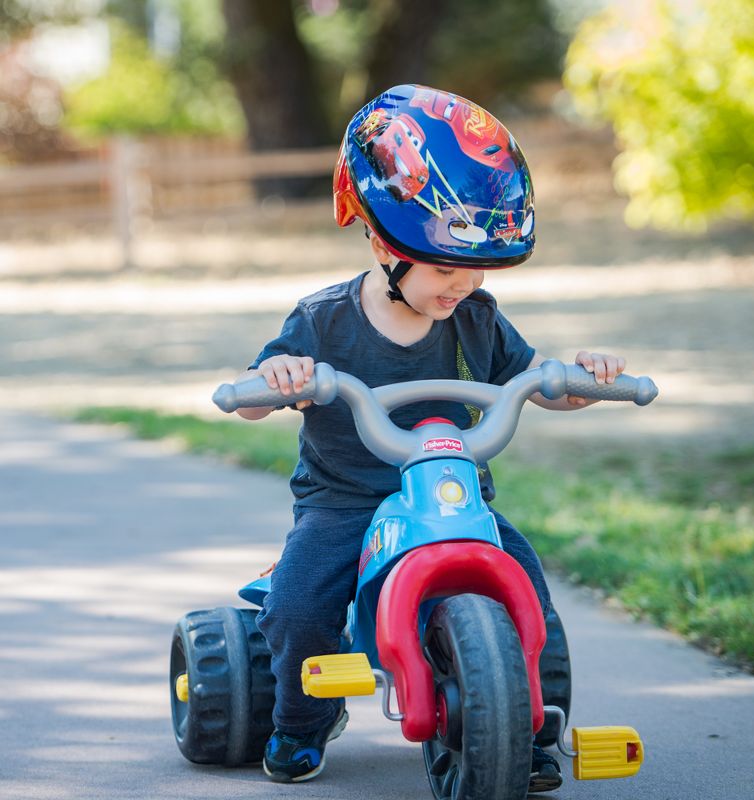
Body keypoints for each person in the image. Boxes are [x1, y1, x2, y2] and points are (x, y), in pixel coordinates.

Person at [234, 85, 627, 792]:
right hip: (347, 504)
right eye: (448, 268)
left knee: (531, 598)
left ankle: (535, 729)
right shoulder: (324, 323)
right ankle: (301, 721)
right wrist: (280, 374)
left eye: (477, 269)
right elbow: (256, 401)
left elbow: (538, 380)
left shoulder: (476, 318)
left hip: (454, 499)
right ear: (387, 244)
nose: (464, 284)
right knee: (297, 607)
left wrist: (581, 377)